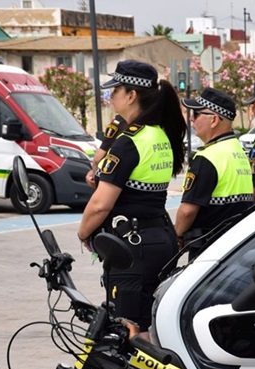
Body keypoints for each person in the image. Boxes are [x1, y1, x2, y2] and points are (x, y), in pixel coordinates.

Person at [77, 60, 184, 333]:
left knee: (125, 332)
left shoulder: (129, 141)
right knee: (149, 329)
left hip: (133, 251)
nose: (110, 97)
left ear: (131, 95)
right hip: (159, 239)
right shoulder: (160, 135)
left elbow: (101, 204)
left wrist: (84, 233)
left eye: (115, 90)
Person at [176, 88, 253, 257]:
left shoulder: (207, 157)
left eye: (196, 114)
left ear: (214, 120)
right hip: (235, 245)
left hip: (208, 249)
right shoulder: (238, 151)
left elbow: (187, 211)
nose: (191, 118)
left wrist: (177, 236)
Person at [86, 114, 126, 188]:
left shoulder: (119, 122)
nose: (112, 102)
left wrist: (95, 174)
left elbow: (98, 159)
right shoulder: (149, 120)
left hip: (115, 182)